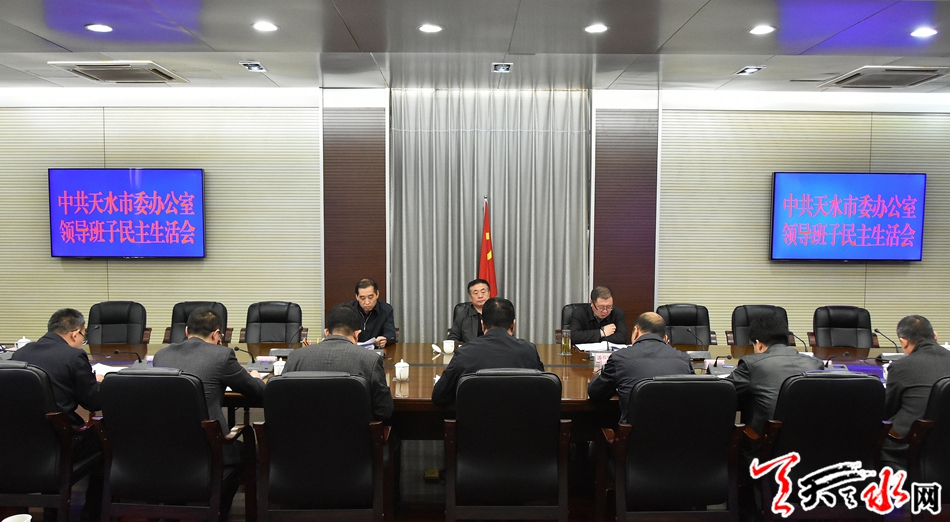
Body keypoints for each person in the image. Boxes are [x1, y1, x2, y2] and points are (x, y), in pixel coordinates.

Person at [12, 308, 104, 522]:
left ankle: (45, 511)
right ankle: (92, 513)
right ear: (75, 333)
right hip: (63, 445)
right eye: (83, 337)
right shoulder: (74, 356)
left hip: (22, 444)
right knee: (105, 438)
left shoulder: (19, 354)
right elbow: (93, 402)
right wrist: (98, 382)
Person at [153, 307, 265, 467]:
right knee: (258, 450)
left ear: (186, 331)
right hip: (213, 449)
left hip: (169, 448)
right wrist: (256, 378)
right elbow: (257, 391)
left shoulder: (161, 355)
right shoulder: (222, 355)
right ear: (216, 334)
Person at [284, 304, 393, 420]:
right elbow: (384, 410)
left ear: (326, 333)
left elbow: (282, 401)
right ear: (356, 334)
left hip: (302, 430)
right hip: (354, 430)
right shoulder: (370, 359)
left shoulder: (295, 357)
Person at [726, 315, 823, 440]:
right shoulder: (815, 364)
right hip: (808, 441)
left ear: (758, 344)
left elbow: (722, 391)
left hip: (765, 445)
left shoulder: (752, 364)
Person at [432, 297, 544, 406]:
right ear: (513, 325)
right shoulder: (529, 351)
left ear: (483, 325)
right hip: (521, 418)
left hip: (475, 418)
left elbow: (439, 396)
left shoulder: (465, 352)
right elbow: (542, 392)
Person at [587, 312, 693, 421]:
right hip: (679, 430)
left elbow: (596, 394)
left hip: (635, 431)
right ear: (665, 338)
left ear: (636, 331)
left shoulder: (620, 358)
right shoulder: (683, 358)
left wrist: (601, 376)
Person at [882, 315, 950, 470]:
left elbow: (887, 409)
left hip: (910, 443)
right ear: (935, 336)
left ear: (904, 342)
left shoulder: (901, 366)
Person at [344, 278, 397, 348]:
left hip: (376, 350)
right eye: (362, 298)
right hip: (352, 350)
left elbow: (390, 333)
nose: (367, 302)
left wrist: (385, 339)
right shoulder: (347, 310)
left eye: (370, 297)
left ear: (377, 294)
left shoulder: (386, 310)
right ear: (357, 297)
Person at [447, 278, 491, 343]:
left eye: (483, 292)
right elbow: (453, 337)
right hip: (469, 348)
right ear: (470, 297)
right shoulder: (462, 314)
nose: (480, 296)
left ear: (489, 293)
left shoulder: (498, 312)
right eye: (476, 293)